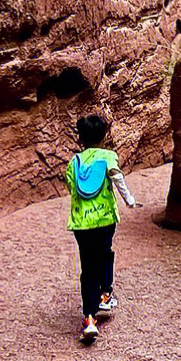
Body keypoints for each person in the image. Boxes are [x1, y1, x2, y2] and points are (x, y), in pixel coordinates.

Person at [65, 114, 135, 342]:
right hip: (105, 220)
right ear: (103, 135)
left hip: (81, 224)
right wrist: (129, 199)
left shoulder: (73, 163)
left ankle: (89, 318)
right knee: (106, 253)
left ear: (81, 138)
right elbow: (117, 178)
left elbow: (73, 191)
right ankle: (105, 294)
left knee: (87, 265)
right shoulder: (108, 156)